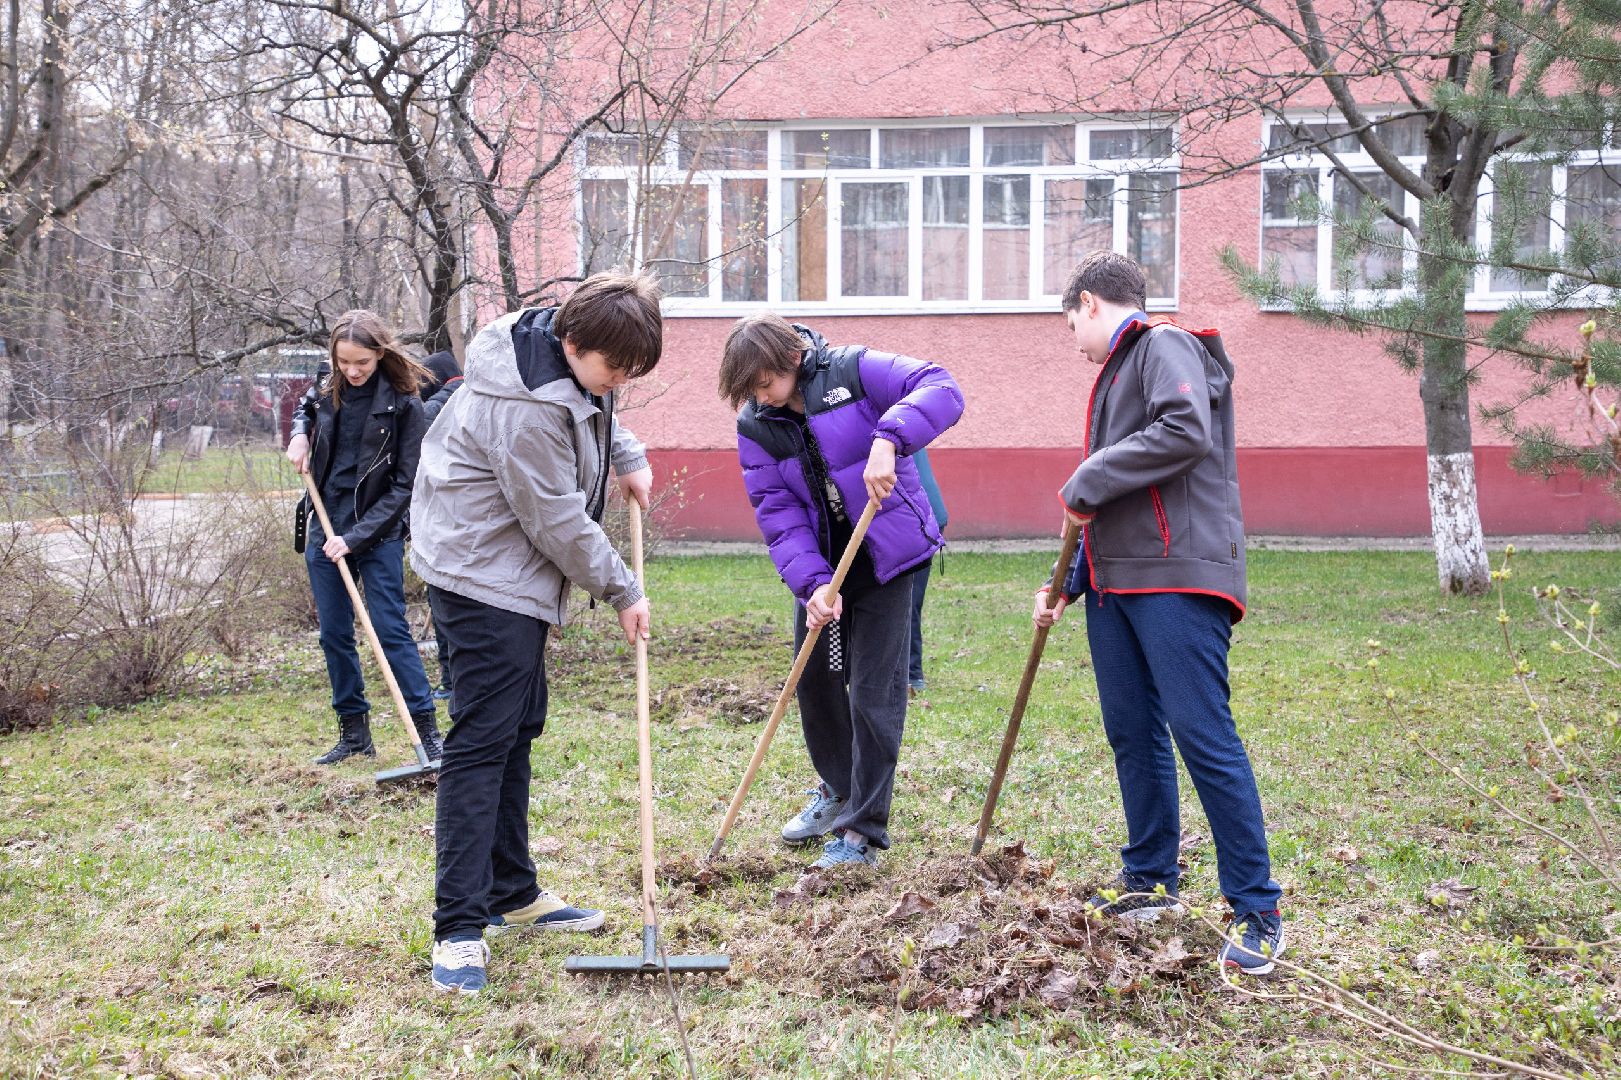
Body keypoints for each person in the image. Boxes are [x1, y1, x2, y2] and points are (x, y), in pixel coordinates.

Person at [408, 272, 661, 995]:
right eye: (614, 368)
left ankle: (511, 891)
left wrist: (625, 454)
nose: (618, 383)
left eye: (630, 373)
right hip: (481, 570)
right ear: (573, 341)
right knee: (481, 742)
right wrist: (623, 589)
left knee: (518, 725)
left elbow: (593, 408)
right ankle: (458, 928)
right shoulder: (523, 411)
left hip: (505, 565)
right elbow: (556, 520)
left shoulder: (558, 352)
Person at [1032, 251, 1283, 975]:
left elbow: (1184, 430)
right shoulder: (1116, 372)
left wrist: (1088, 473)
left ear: (1088, 303)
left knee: (1202, 735)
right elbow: (1111, 503)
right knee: (1132, 734)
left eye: (1070, 327)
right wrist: (1068, 581)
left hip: (1176, 578)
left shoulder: (1163, 345)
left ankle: (1258, 911)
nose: (1074, 345)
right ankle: (1149, 880)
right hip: (1116, 584)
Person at [720, 313, 964, 872]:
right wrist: (811, 584)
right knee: (817, 682)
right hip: (826, 569)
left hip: (886, 559)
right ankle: (838, 790)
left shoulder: (853, 371)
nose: (762, 398)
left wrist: (890, 436)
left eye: (766, 383)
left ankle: (863, 830)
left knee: (874, 692)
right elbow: (778, 512)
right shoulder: (757, 424)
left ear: (791, 358)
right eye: (751, 391)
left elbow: (940, 386)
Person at [286, 311, 444, 767]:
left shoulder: (405, 404)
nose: (352, 371)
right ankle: (354, 734)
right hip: (325, 523)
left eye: (362, 363)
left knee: (391, 630)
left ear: (380, 354)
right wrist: (299, 435)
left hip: (377, 531)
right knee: (334, 635)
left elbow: (404, 486)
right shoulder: (327, 385)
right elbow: (305, 408)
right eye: (344, 362)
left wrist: (355, 537)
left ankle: (427, 732)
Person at [417, 350, 464, 702]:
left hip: (443, 520)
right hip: (469, 519)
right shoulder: (479, 395)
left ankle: (451, 682)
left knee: (444, 602)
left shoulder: (433, 408)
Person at [907, 447, 947, 697]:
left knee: (905, 601)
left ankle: (911, 674)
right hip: (923, 517)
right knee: (908, 601)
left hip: (917, 521)